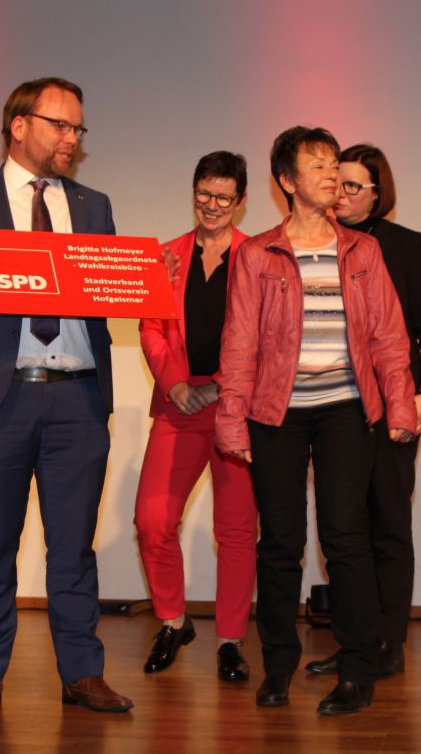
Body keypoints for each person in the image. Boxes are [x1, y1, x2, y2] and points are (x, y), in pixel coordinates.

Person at [0, 77, 133, 714]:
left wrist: (143, 279)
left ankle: (82, 673)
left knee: (74, 546)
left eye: (78, 129)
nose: (72, 139)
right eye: (61, 125)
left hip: (78, 399)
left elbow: (105, 287)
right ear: (19, 125)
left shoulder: (93, 205)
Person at [215, 126, 417, 716]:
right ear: (287, 180)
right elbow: (239, 344)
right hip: (276, 413)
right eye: (319, 166)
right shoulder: (257, 254)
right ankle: (278, 666)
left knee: (345, 537)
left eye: (335, 165)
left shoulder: (362, 250)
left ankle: (358, 668)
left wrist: (401, 405)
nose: (333, 175)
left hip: (346, 411)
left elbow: (389, 336)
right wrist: (232, 421)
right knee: (280, 542)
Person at [303, 144, 421, 679]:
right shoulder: (315, 241)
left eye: (352, 185)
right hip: (335, 405)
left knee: (388, 524)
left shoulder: (405, 245)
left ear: (376, 193)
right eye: (334, 182)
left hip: (392, 406)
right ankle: (354, 643)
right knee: (343, 530)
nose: (339, 194)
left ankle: (390, 641)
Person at [134, 151, 257, 682]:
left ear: (240, 200)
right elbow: (150, 328)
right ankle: (173, 621)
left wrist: (222, 388)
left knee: (236, 530)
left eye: (223, 197)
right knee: (152, 521)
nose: (212, 205)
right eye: (204, 194)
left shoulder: (259, 257)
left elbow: (269, 337)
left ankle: (230, 640)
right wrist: (175, 383)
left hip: (236, 409)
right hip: (179, 404)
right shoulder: (166, 257)